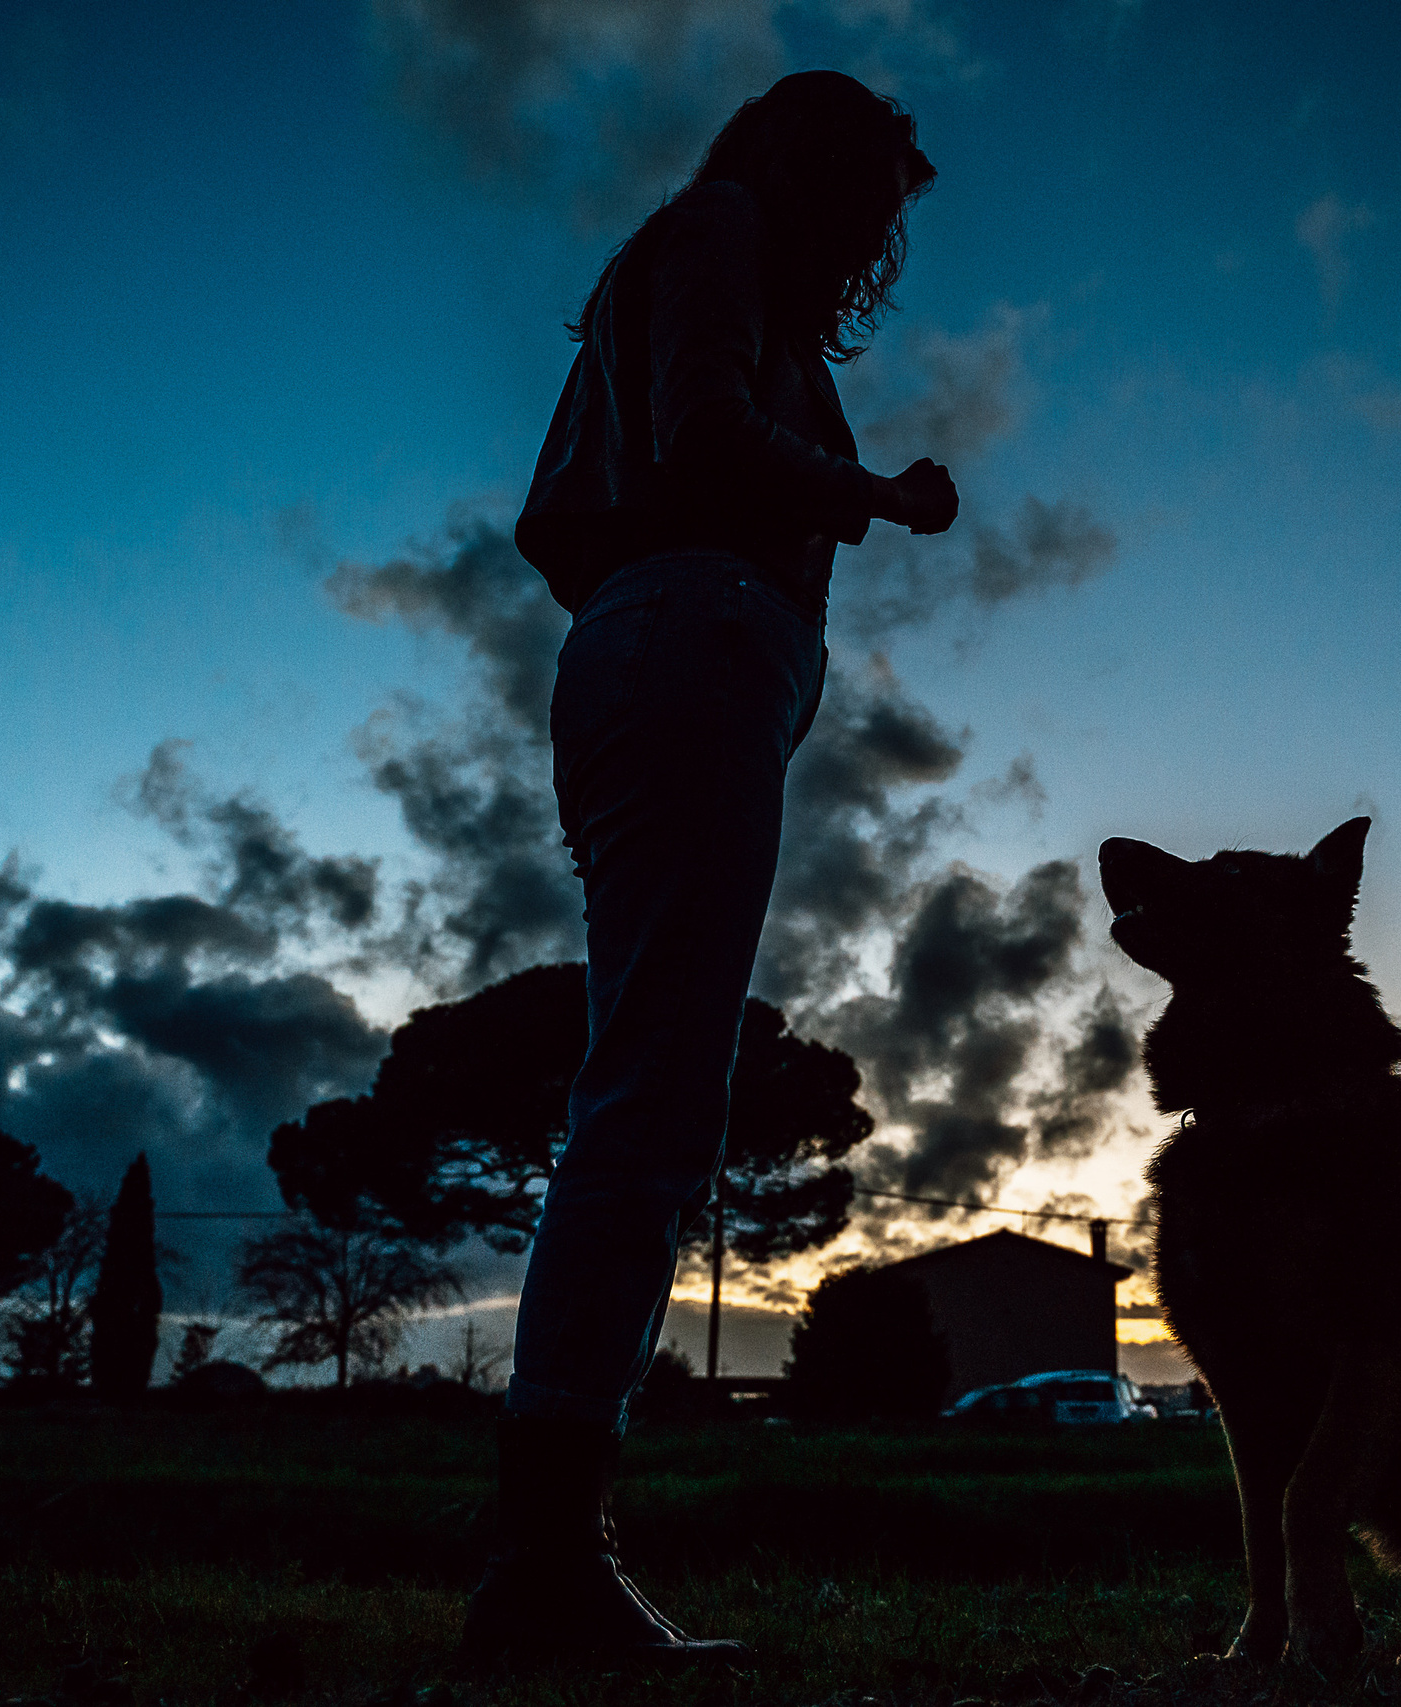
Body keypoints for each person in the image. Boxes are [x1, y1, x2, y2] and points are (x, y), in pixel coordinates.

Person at [461, 71, 956, 1669]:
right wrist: (872, 493)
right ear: (812, 168)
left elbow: (595, 495)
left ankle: (548, 1556)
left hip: (674, 653)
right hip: (693, 642)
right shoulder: (724, 226)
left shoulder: (704, 256)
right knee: (656, 1102)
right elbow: (705, 433)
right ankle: (545, 1566)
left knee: (658, 1094)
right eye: (875, 194)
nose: (881, 233)